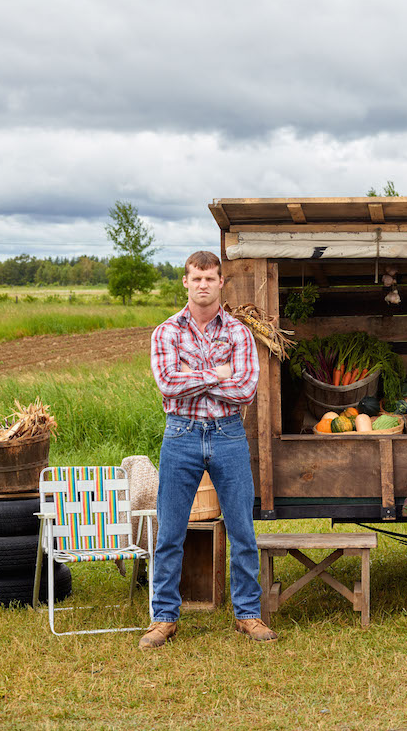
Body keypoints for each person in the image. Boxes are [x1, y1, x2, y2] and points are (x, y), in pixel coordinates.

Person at [139, 250, 277, 649]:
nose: (202, 285)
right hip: (180, 435)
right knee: (170, 531)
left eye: (210, 278)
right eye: (195, 278)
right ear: (185, 282)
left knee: (242, 530)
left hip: (229, 434)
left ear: (221, 282)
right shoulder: (166, 332)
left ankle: (248, 614)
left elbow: (246, 388)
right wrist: (217, 373)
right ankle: (164, 618)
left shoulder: (238, 332)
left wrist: (192, 377)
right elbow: (167, 384)